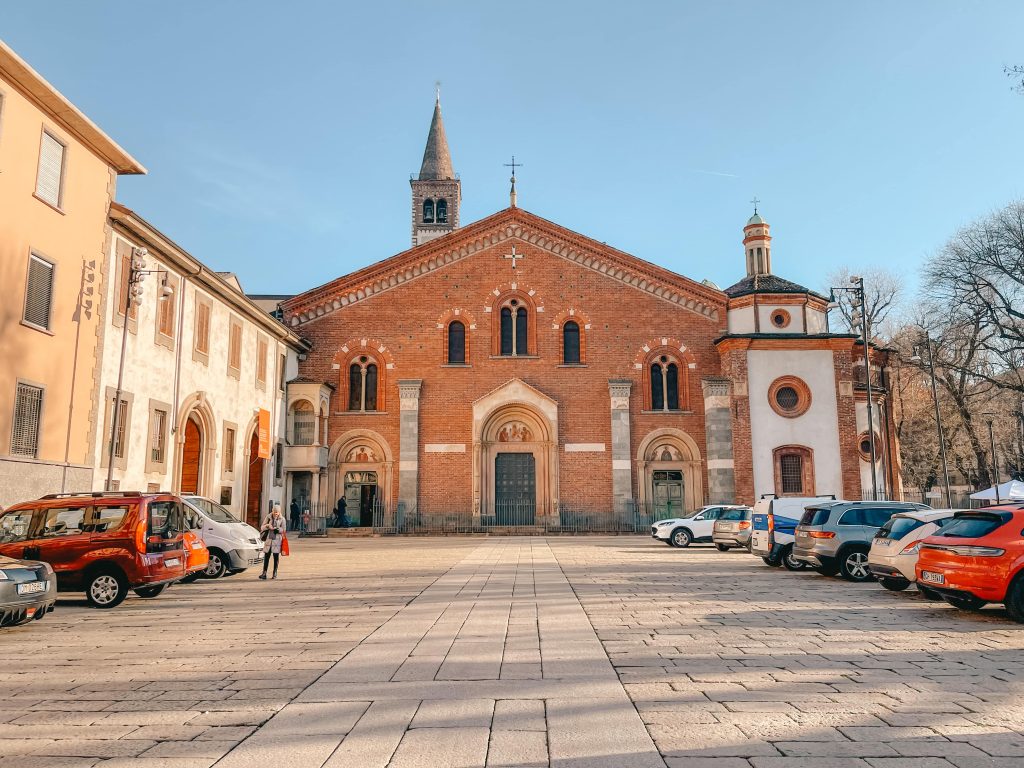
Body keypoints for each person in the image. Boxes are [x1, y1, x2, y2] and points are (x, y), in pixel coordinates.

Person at [259, 505, 287, 580]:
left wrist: (277, 530)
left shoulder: (282, 519)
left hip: (277, 540)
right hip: (269, 539)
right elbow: (262, 527)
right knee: (266, 557)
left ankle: (275, 573)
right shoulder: (268, 517)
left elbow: (284, 530)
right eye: (274, 512)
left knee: (276, 557)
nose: (275, 514)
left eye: (277, 513)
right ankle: (264, 573)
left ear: (279, 512)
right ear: (272, 511)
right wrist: (268, 525)